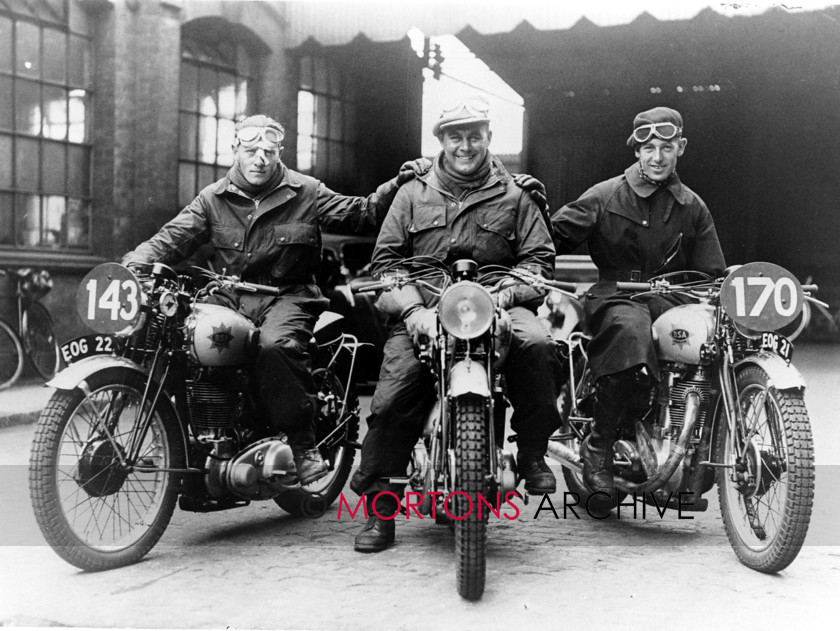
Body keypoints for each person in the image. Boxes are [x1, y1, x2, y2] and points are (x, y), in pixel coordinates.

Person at [122, 114, 412, 486]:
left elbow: (361, 214)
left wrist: (397, 184)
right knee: (182, 339)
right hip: (229, 297)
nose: (259, 158)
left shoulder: (306, 191)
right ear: (235, 151)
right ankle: (193, 436)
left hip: (289, 297)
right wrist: (132, 266)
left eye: (268, 151)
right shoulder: (213, 198)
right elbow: (170, 239)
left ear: (279, 154)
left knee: (275, 347)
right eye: (250, 149)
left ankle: (303, 445)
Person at [350, 96, 564, 552]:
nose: (465, 146)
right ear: (441, 142)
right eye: (455, 137)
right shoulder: (411, 193)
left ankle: (531, 453)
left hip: (497, 302)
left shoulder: (517, 194)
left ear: (489, 138)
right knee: (392, 397)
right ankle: (379, 511)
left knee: (540, 345)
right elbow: (385, 265)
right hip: (426, 307)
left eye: (474, 135)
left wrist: (506, 296)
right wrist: (412, 312)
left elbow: (540, 261)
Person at [550, 106, 726, 495]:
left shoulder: (692, 206)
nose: (658, 157)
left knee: (713, 340)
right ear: (636, 151)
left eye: (666, 147)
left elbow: (711, 272)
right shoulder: (605, 195)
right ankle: (599, 444)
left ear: (680, 147)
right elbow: (547, 239)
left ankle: (688, 443)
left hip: (671, 300)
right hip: (616, 298)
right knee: (631, 334)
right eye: (649, 149)